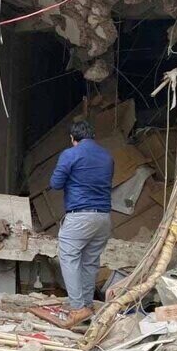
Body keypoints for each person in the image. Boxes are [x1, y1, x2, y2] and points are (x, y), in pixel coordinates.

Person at [49, 120, 113, 328]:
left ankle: (77, 308)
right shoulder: (107, 156)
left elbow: (55, 184)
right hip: (103, 217)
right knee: (90, 262)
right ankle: (87, 305)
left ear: (72, 138)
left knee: (68, 258)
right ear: (92, 136)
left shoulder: (70, 154)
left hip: (79, 216)